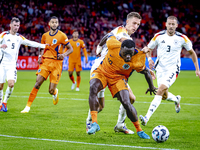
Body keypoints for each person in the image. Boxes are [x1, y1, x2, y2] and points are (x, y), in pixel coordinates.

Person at [86, 12, 147, 134]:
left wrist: (99, 45)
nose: (135, 26)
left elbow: (107, 36)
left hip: (115, 71)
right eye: (134, 23)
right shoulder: (123, 32)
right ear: (127, 21)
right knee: (100, 104)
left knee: (131, 98)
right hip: (102, 67)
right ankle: (90, 122)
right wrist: (141, 54)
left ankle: (120, 124)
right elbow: (124, 43)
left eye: (138, 25)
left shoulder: (119, 30)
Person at [87, 35, 157, 139]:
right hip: (102, 72)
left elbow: (146, 72)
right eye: (126, 53)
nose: (128, 56)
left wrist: (151, 86)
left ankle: (139, 130)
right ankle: (94, 123)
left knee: (126, 102)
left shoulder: (137, 58)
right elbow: (108, 36)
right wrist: (100, 46)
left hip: (118, 78)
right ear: (120, 49)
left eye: (131, 53)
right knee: (93, 88)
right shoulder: (113, 45)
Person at [139, 16, 200, 126]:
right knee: (164, 96)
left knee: (160, 90)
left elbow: (192, 53)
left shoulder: (182, 38)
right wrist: (149, 59)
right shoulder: (158, 36)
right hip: (160, 69)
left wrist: (197, 69)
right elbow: (148, 48)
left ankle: (146, 117)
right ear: (166, 24)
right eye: (169, 24)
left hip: (173, 70)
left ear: (177, 25)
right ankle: (176, 99)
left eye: (173, 24)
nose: (171, 26)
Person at [21, 16, 73, 113]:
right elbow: (41, 47)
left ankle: (55, 92)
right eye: (52, 22)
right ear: (49, 24)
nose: (54, 24)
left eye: (56, 22)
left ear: (58, 24)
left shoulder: (62, 36)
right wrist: (40, 56)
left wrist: (64, 54)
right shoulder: (45, 36)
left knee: (51, 91)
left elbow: (70, 48)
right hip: (46, 62)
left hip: (57, 64)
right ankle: (27, 107)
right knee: (37, 83)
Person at [0, 17, 47, 112]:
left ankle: (4, 102)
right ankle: (1, 104)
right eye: (15, 25)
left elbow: (30, 43)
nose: (16, 27)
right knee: (0, 86)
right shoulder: (3, 35)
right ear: (10, 25)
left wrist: (44, 46)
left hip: (12, 65)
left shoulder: (19, 37)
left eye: (18, 25)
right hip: (2, 64)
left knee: (11, 84)